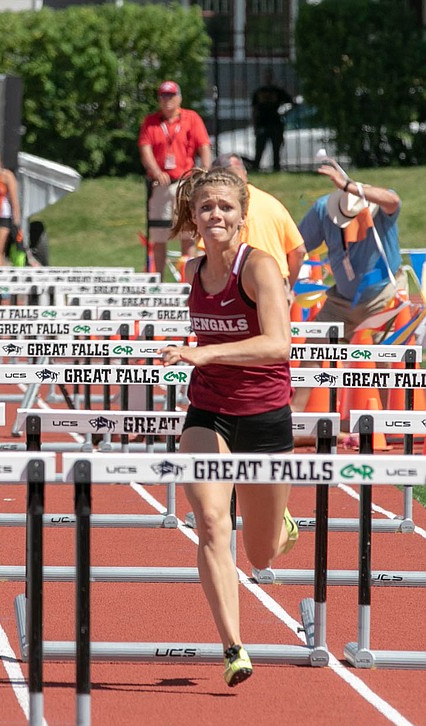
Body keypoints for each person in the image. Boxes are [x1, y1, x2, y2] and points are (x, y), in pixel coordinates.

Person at [159, 167, 298, 687]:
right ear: (193, 216)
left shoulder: (259, 266)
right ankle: (233, 647)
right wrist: (196, 361)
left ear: (243, 216)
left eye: (225, 207)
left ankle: (281, 527)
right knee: (213, 525)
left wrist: (205, 351)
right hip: (208, 412)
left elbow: (279, 345)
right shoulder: (193, 270)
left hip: (264, 417)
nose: (215, 214)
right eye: (206, 207)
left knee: (260, 554)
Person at [297, 159, 402, 341]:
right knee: (312, 350)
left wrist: (348, 186)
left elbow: (393, 200)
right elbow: (297, 246)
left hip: (383, 296)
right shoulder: (323, 209)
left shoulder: (382, 207)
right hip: (341, 302)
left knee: (387, 358)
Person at [138, 80, 212, 276]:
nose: (167, 100)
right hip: (162, 184)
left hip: (184, 182)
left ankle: (189, 278)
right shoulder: (151, 122)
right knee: (159, 234)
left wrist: (204, 171)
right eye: (163, 96)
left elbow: (203, 145)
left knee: (188, 232)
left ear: (179, 97)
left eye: (171, 95)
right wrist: (156, 171)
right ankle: (159, 278)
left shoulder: (191, 118)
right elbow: (145, 149)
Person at [215, 152, 306, 290]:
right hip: (277, 281)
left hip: (242, 284)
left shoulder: (222, 209)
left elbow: (214, 254)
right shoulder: (274, 203)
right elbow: (299, 251)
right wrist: (287, 288)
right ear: (244, 172)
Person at [250, 70, 294, 172]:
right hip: (262, 123)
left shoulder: (277, 91)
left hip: (275, 123)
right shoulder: (259, 92)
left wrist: (283, 113)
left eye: (269, 76)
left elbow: (291, 102)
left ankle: (276, 168)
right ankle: (256, 168)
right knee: (259, 148)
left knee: (276, 149)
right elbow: (254, 110)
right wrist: (255, 126)